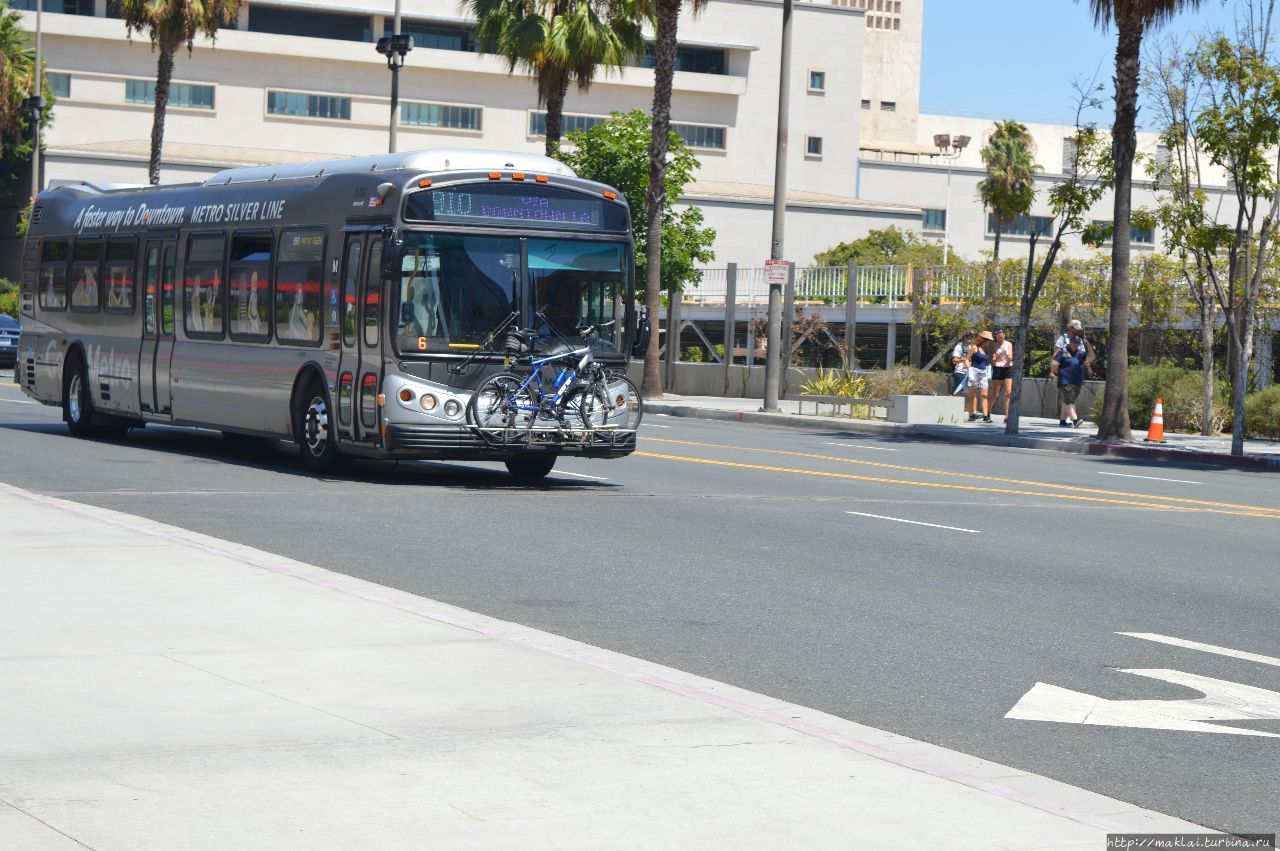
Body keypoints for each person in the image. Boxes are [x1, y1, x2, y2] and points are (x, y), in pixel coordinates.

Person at [1055, 336, 1089, 427]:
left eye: (1077, 343)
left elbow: (1091, 358)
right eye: (1074, 342)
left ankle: (1062, 421)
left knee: (1067, 401)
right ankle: (1075, 420)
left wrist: (1088, 346)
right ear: (1070, 342)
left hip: (1077, 381)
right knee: (1070, 401)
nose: (1075, 345)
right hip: (1065, 380)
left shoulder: (1080, 353)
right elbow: (1055, 363)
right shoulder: (1064, 351)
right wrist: (1057, 373)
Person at [967, 330, 995, 422]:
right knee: (972, 394)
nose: (989, 342)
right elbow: (967, 359)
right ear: (983, 339)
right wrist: (969, 368)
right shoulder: (974, 347)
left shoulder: (986, 349)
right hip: (974, 371)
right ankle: (971, 414)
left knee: (984, 394)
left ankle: (985, 416)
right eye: (988, 340)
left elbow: (990, 359)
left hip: (983, 372)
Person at [988, 327, 1014, 418]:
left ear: (1004, 335)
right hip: (998, 369)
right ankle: (987, 412)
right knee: (995, 394)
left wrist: (1006, 354)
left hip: (1008, 368)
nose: (999, 338)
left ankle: (1007, 416)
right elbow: (993, 360)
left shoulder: (1009, 344)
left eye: (1001, 337)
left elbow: (1011, 358)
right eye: (997, 337)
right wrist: (999, 355)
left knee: (1008, 393)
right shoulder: (993, 345)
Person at [950, 330, 973, 394]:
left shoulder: (971, 346)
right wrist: (963, 359)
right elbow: (954, 361)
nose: (971, 341)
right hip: (960, 373)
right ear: (965, 338)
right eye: (970, 339)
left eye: (972, 339)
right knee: (959, 393)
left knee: (969, 393)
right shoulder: (959, 347)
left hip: (969, 373)